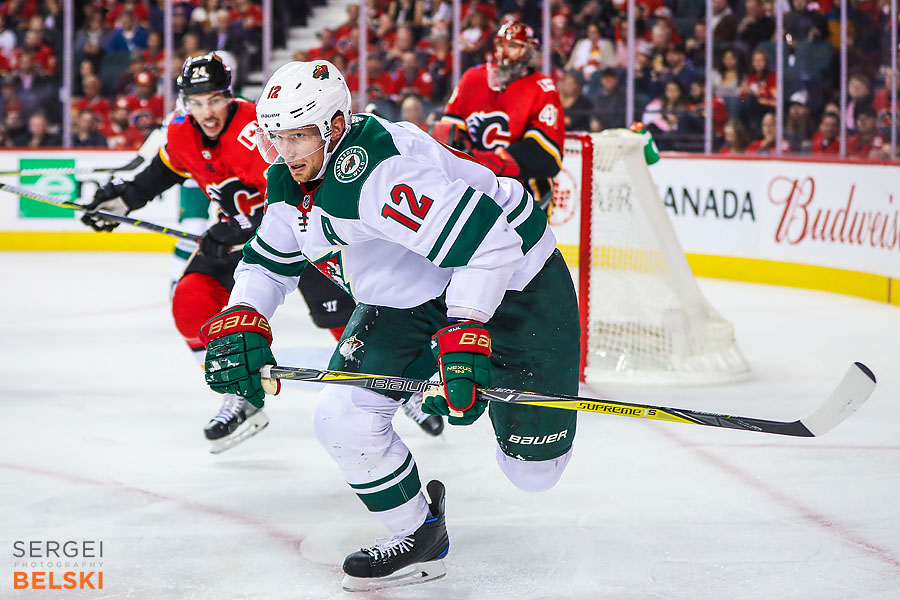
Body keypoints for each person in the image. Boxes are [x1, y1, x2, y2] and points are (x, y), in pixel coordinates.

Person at [200, 60, 580, 591]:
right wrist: (243, 316)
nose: (287, 151)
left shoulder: (380, 173)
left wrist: (466, 337)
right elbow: (269, 261)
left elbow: (491, 243)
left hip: (517, 280)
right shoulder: (290, 178)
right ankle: (419, 537)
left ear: (334, 126)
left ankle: (487, 386)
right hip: (412, 293)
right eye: (277, 136)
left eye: (300, 136)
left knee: (533, 472)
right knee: (343, 417)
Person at [79, 54, 360, 453]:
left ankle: (394, 383)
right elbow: (159, 174)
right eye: (196, 102)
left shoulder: (257, 128)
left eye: (213, 99)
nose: (206, 111)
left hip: (301, 231)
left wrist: (237, 227)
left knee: (342, 319)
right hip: (235, 239)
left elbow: (294, 187)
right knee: (190, 301)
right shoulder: (180, 133)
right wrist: (122, 201)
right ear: (184, 103)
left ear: (228, 96)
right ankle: (241, 393)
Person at [440, 20, 565, 214]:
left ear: (529, 51)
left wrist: (478, 162)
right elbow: (447, 135)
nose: (504, 53)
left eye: (514, 46)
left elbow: (545, 155)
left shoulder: (543, 88)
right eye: (500, 44)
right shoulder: (472, 78)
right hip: (475, 193)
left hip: (526, 198)